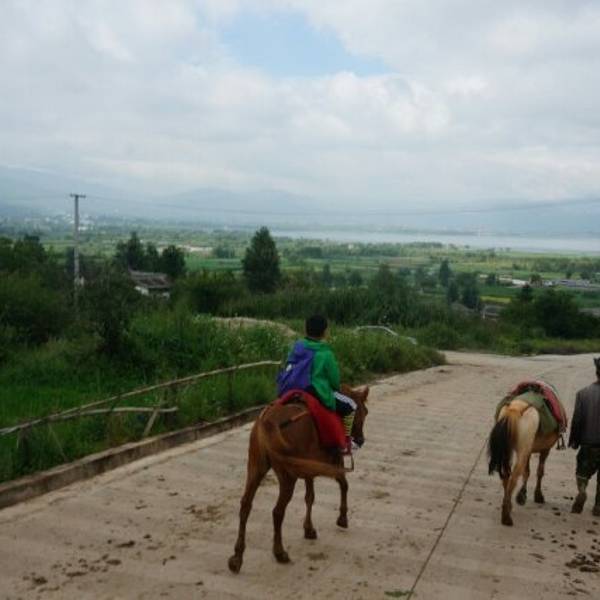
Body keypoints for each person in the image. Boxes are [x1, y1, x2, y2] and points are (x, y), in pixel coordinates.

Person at [277, 314, 360, 454]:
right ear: (325, 332)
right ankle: (346, 442)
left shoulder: (297, 346)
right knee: (351, 405)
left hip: (290, 387)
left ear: (305, 329)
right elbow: (334, 380)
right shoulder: (326, 353)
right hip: (314, 390)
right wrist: (335, 388)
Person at [568, 357, 600, 515]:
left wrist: (574, 440)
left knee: (582, 472)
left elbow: (577, 420)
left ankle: (582, 490)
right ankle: (598, 506)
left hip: (588, 442)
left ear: (596, 372)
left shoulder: (583, 393)